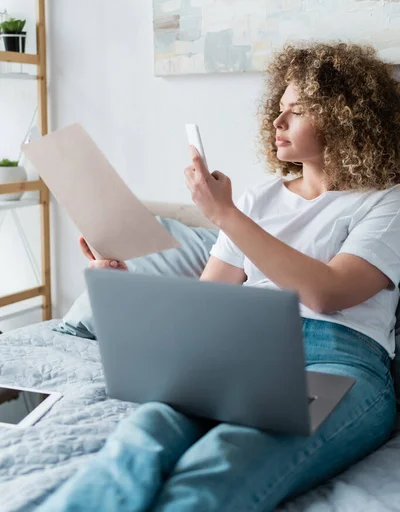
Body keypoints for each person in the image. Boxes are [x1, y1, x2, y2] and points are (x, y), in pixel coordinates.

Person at [39, 42, 400, 511]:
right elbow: (208, 303)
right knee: (143, 437)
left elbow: (327, 293)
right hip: (238, 352)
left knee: (226, 458)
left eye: (297, 111)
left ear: (345, 117)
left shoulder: (384, 201)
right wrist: (121, 283)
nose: (277, 122)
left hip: (341, 361)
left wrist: (226, 215)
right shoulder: (260, 197)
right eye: (279, 109)